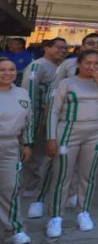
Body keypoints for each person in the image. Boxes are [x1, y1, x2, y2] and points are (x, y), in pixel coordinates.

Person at [44, 49, 98, 238]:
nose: (92, 67)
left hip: (95, 132)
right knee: (62, 176)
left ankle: (83, 212)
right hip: (68, 131)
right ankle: (56, 217)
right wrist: (51, 137)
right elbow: (53, 111)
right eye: (88, 63)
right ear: (79, 64)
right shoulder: (67, 83)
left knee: (88, 175)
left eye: (96, 64)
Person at [20, 36, 66, 211]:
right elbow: (28, 95)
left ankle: (39, 187)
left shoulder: (61, 67)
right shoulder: (37, 66)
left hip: (53, 120)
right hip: (38, 120)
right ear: (46, 48)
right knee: (34, 155)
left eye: (65, 49)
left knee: (47, 155)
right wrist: (32, 121)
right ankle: (30, 188)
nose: (62, 51)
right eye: (58, 47)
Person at [0, 57, 32, 244]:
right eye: (2, 69)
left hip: (11, 146)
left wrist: (27, 144)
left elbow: (28, 121)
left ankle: (15, 229)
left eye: (11, 69)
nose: (7, 73)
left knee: (10, 188)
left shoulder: (22, 93)